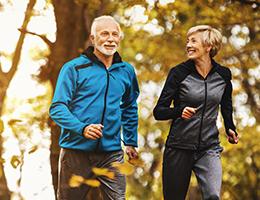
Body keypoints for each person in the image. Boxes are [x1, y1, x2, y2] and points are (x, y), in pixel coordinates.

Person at [49, 15, 139, 200]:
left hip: (111, 153)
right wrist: (82, 128)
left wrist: (130, 141)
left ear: (120, 38)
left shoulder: (126, 71)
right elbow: (57, 108)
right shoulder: (74, 68)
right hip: (75, 151)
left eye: (115, 34)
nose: (110, 38)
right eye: (104, 34)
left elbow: (129, 106)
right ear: (93, 39)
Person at [153, 25, 239, 200]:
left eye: (193, 41)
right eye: (187, 41)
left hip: (209, 147)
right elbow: (159, 111)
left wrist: (230, 127)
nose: (188, 45)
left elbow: (226, 104)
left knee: (213, 196)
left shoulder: (223, 75)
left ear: (208, 46)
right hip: (179, 147)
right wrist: (179, 111)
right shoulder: (178, 73)